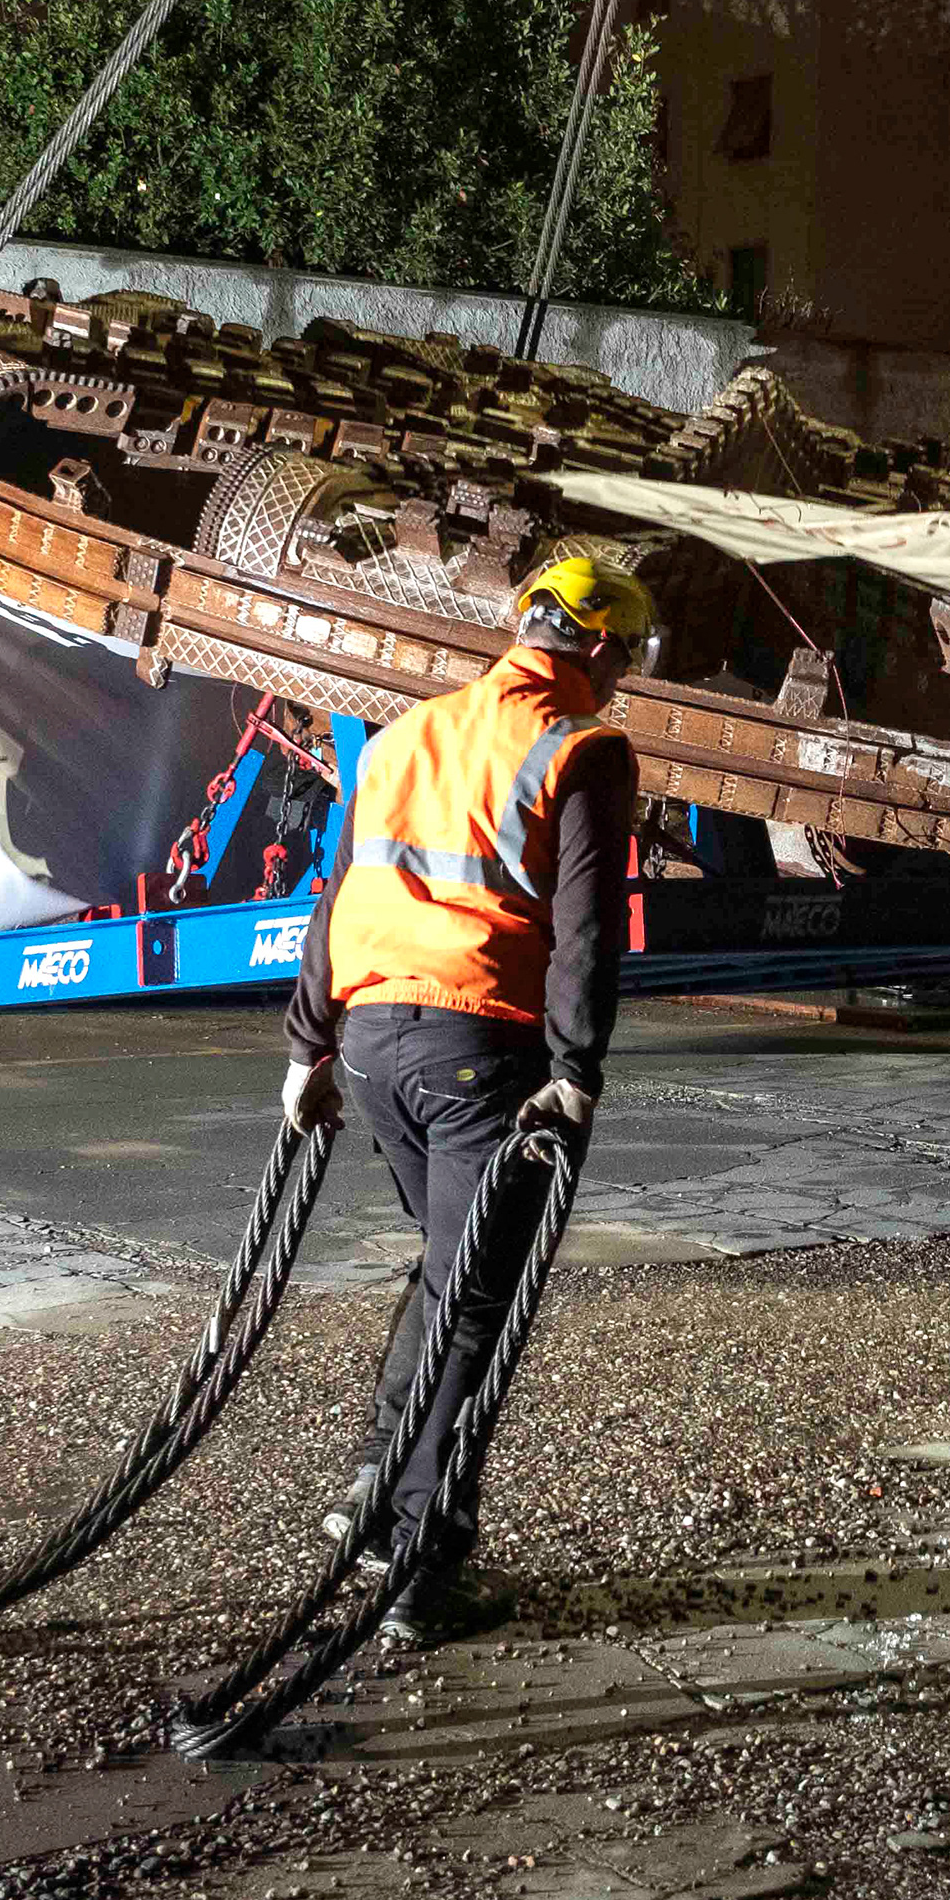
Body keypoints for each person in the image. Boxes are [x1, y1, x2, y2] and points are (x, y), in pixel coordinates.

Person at [277, 553, 652, 1646]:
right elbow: (586, 931)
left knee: (449, 1271)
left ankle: (376, 1488)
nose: (619, 678)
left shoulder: (401, 737)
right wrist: (577, 1069)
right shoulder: (581, 748)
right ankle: (420, 1566)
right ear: (594, 645)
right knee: (477, 1299)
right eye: (623, 656)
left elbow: (338, 894)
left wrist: (307, 1052)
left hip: (374, 1050)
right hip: (481, 1052)